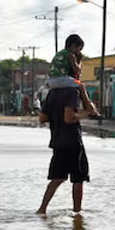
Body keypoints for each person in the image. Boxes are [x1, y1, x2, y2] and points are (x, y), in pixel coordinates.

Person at [36, 87, 90, 215]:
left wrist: (56, 117)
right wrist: (85, 114)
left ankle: (42, 209)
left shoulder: (52, 93)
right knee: (78, 178)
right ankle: (77, 212)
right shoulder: (72, 92)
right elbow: (69, 118)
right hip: (73, 141)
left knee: (57, 178)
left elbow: (42, 118)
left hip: (57, 141)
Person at [44, 34, 99, 119]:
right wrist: (79, 61)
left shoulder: (60, 53)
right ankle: (90, 109)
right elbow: (77, 70)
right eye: (79, 49)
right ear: (73, 46)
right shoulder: (70, 55)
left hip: (51, 80)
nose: (79, 52)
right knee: (81, 86)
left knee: (76, 83)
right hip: (61, 79)